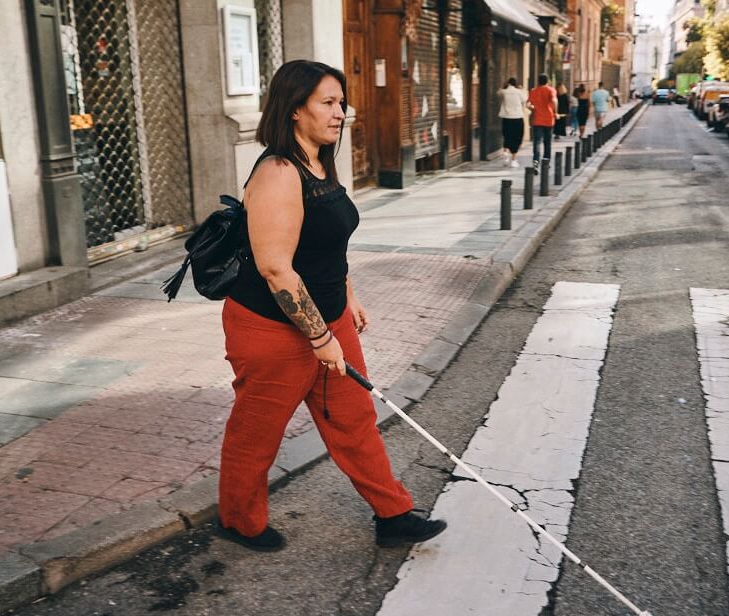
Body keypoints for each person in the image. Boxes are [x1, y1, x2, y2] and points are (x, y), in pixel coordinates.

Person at [218, 60, 447, 552]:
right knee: (257, 432)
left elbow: (325, 247)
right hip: (271, 329)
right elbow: (277, 268)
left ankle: (393, 514)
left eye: (341, 102)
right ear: (295, 109)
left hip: (328, 320)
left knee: (354, 419)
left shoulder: (321, 163)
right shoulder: (279, 172)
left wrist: (348, 293)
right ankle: (239, 519)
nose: (341, 112)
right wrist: (320, 339)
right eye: (328, 102)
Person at [527, 74, 557, 167]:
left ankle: (536, 160)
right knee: (547, 141)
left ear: (538, 81)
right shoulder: (551, 90)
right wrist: (556, 112)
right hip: (549, 119)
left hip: (537, 120)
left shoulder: (533, 91)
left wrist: (533, 108)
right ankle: (546, 161)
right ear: (547, 81)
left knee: (537, 141)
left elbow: (528, 104)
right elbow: (554, 101)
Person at [498, 77, 526, 168]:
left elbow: (498, 93)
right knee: (517, 137)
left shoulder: (504, 91)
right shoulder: (519, 92)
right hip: (517, 117)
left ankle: (506, 153)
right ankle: (514, 159)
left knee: (506, 135)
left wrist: (504, 87)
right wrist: (522, 89)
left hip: (506, 118)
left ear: (508, 83)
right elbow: (525, 99)